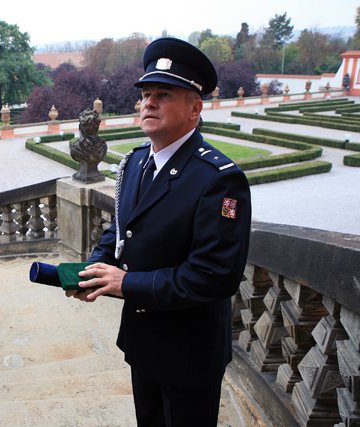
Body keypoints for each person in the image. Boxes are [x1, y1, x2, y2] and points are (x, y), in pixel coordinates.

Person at [66, 38, 252, 426]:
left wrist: (126, 283)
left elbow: (214, 276)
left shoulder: (219, 179)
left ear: (195, 108)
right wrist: (94, 269)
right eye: (145, 94)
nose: (148, 103)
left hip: (190, 351)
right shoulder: (135, 162)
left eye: (163, 95)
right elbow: (121, 231)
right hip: (142, 339)